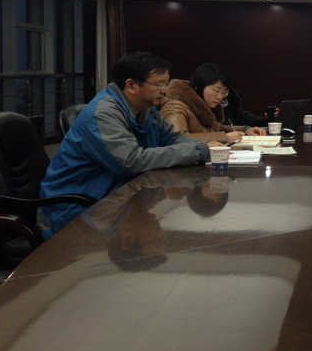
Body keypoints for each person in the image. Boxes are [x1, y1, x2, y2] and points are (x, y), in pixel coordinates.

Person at [40, 52, 211, 235]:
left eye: (166, 84)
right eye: (159, 84)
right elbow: (131, 161)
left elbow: (173, 138)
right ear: (131, 85)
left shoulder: (147, 110)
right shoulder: (104, 113)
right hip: (79, 207)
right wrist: (199, 151)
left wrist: (203, 148)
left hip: (117, 197)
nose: (164, 90)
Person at [160, 63, 266, 143]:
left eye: (224, 93)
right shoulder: (175, 107)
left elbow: (218, 127)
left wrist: (246, 129)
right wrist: (223, 138)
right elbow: (177, 139)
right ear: (198, 86)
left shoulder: (202, 107)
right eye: (216, 91)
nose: (220, 97)